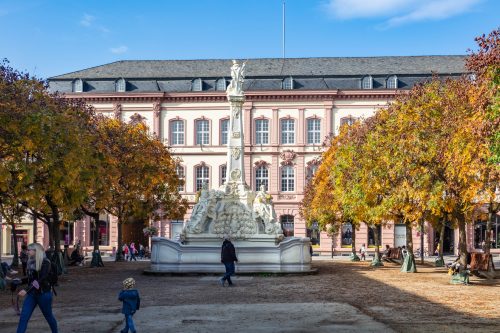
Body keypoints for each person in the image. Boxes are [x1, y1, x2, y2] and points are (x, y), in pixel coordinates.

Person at [16, 242, 58, 333]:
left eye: (29, 250)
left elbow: (40, 279)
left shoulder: (46, 263)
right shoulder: (31, 262)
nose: (27, 252)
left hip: (43, 294)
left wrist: (26, 290)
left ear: (36, 251)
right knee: (24, 317)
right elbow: (31, 279)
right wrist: (18, 281)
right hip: (32, 294)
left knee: (48, 316)